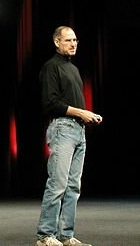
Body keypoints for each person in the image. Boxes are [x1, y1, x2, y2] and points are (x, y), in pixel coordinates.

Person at [35, 26, 103, 246]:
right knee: (58, 184)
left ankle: (65, 235)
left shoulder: (72, 69)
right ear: (57, 42)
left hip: (78, 130)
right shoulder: (50, 67)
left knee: (74, 186)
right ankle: (46, 235)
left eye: (75, 40)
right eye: (68, 40)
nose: (73, 44)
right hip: (62, 129)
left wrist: (87, 116)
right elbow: (50, 103)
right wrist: (82, 112)